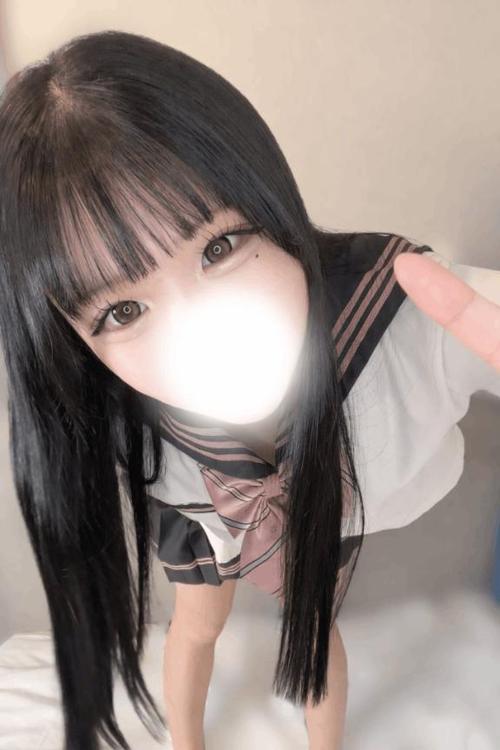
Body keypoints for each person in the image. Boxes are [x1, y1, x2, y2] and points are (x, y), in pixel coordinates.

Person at [0, 29, 498, 750]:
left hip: (316, 506)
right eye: (123, 311)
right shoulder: (123, 418)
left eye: (219, 247)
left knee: (313, 629)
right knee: (196, 627)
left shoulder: (401, 323)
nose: (197, 331)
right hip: (197, 501)